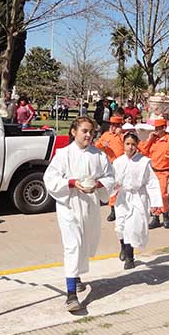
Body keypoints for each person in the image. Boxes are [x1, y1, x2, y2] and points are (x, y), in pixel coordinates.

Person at [43, 116, 115, 312]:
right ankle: (71, 295)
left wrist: (98, 185)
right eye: (84, 131)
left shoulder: (99, 155)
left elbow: (110, 177)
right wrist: (72, 183)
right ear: (74, 132)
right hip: (70, 206)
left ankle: (75, 275)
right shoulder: (63, 154)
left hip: (90, 205)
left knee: (85, 243)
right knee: (73, 245)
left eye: (91, 131)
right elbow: (50, 178)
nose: (89, 135)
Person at [113, 132, 162, 269]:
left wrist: (155, 203)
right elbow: (112, 179)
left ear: (137, 146)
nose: (130, 147)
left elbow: (151, 182)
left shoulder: (143, 162)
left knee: (132, 227)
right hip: (123, 197)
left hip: (137, 197)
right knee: (121, 225)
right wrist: (114, 186)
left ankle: (130, 257)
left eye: (133, 144)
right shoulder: (118, 162)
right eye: (127, 144)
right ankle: (123, 245)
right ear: (123, 145)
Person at [139, 118, 169, 229]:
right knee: (152, 195)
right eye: (155, 128)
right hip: (152, 171)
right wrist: (149, 140)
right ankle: (156, 217)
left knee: (162, 195)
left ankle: (166, 215)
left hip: (164, 172)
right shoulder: (152, 140)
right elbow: (142, 152)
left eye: (159, 128)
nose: (156, 130)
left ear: (164, 128)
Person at [95, 116, 125, 221]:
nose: (113, 127)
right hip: (110, 165)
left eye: (116, 125)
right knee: (113, 188)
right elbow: (96, 146)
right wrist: (102, 144)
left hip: (122, 165)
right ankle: (113, 210)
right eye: (112, 125)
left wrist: (120, 134)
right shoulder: (106, 135)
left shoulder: (123, 136)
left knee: (123, 188)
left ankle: (123, 208)